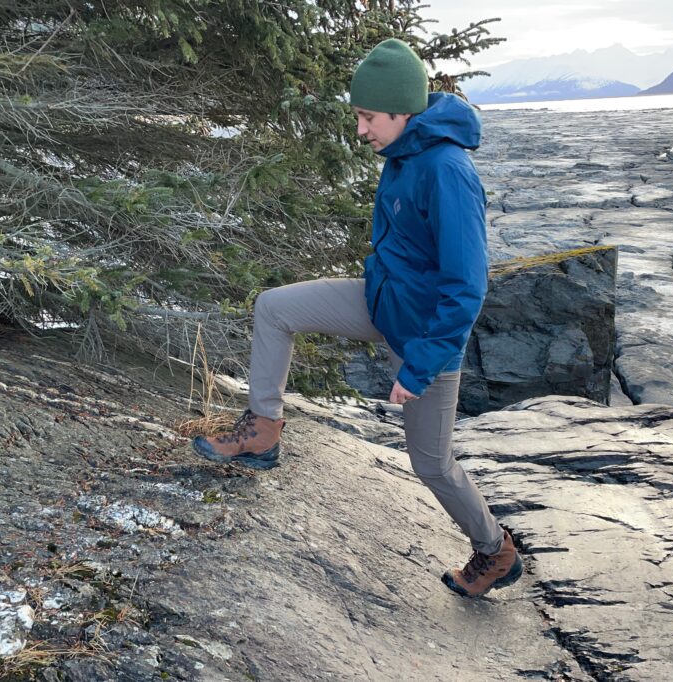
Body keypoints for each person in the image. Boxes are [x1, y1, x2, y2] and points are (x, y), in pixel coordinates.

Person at [193, 38, 522, 598]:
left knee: (433, 465)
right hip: (382, 303)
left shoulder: (447, 171)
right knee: (273, 307)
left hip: (424, 337)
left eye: (368, 117)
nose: (362, 130)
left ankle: (495, 551)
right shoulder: (403, 154)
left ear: (402, 111)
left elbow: (467, 288)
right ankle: (264, 432)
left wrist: (416, 368)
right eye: (359, 116)